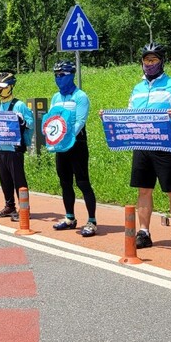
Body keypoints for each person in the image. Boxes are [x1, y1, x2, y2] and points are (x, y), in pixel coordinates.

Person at [127, 43, 171, 254]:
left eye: (154, 60)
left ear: (161, 61)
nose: (149, 64)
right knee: (144, 190)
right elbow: (129, 114)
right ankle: (144, 232)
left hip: (166, 146)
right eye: (146, 60)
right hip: (142, 145)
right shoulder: (137, 88)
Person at [50, 60, 99, 236]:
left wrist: (67, 136)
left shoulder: (80, 96)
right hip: (61, 146)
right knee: (65, 182)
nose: (58, 78)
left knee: (82, 182)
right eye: (56, 75)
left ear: (71, 75)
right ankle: (70, 217)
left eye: (61, 75)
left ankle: (92, 221)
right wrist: (52, 138)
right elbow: (52, 120)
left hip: (77, 144)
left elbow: (80, 121)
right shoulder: (56, 97)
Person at [0, 72, 33, 221]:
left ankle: (24, 209)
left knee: (18, 179)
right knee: (4, 179)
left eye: (3, 87)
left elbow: (31, 123)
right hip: (1, 148)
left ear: (11, 87)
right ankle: (9, 206)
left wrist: (22, 120)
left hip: (14, 148)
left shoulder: (19, 105)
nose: (0, 90)